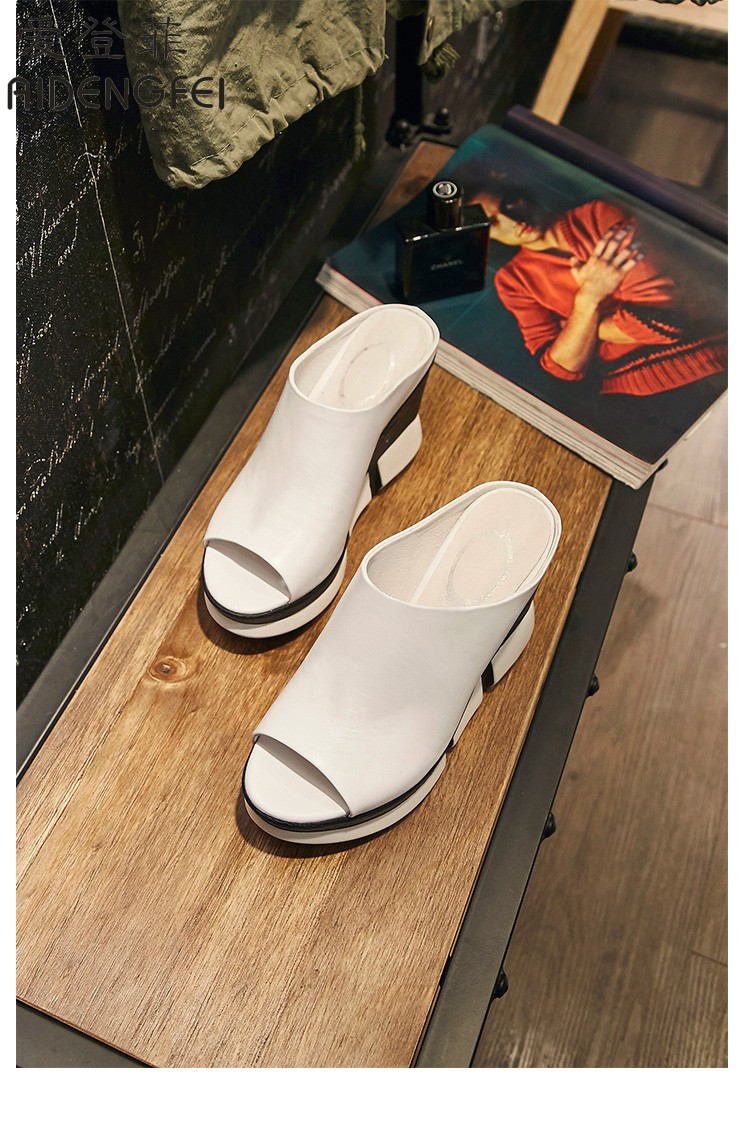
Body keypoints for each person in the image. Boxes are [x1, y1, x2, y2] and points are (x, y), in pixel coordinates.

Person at [469, 185, 727, 396]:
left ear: (522, 193)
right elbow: (561, 367)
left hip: (705, 359)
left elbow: (663, 322)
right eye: (493, 222)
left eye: (509, 203)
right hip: (620, 393)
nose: (513, 221)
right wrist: (589, 297)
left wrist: (578, 328)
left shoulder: (599, 215)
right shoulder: (512, 280)